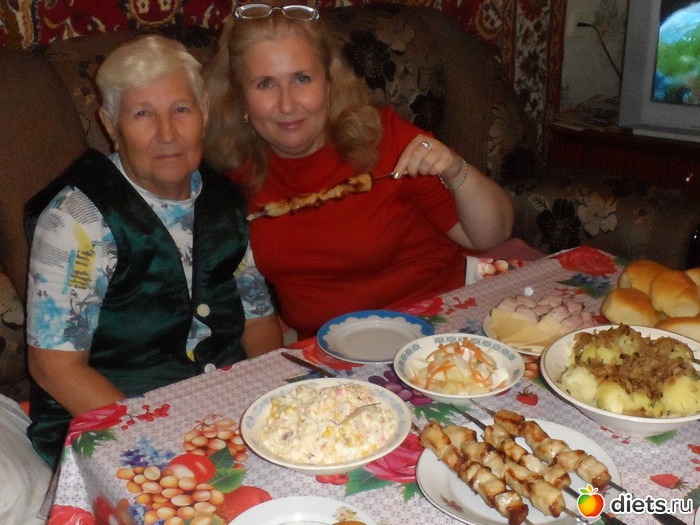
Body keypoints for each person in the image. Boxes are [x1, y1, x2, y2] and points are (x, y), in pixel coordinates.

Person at [23, 34, 282, 469]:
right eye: (142, 113)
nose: (167, 134)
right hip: (110, 422)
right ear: (110, 125)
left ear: (204, 113)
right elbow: (55, 369)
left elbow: (257, 320)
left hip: (218, 410)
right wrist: (158, 438)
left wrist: (274, 399)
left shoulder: (224, 199)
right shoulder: (76, 220)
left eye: (181, 110)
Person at [205, 2, 514, 339]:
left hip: (439, 328)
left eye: (302, 79)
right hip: (324, 350)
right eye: (265, 84)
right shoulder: (231, 178)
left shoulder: (385, 141)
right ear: (239, 96)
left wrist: (455, 170)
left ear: (329, 81)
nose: (287, 104)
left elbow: (491, 236)